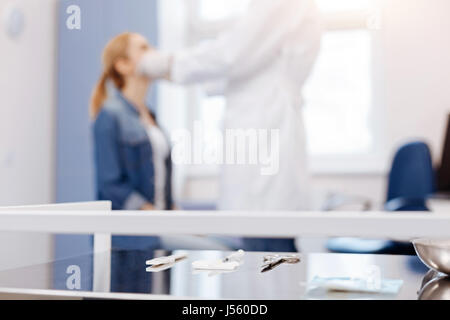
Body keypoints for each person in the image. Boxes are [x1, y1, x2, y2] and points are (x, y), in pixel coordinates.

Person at [139, 0, 322, 252]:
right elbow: (228, 69)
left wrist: (167, 64)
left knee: (267, 266)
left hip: (267, 156)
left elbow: (231, 55)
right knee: (263, 263)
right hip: (261, 156)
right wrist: (174, 68)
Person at [91, 32, 174, 292]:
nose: (152, 53)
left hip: (158, 231)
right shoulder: (109, 115)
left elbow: (161, 177)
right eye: (143, 48)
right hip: (130, 236)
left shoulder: (151, 116)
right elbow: (110, 184)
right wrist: (154, 215)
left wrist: (174, 211)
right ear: (123, 64)